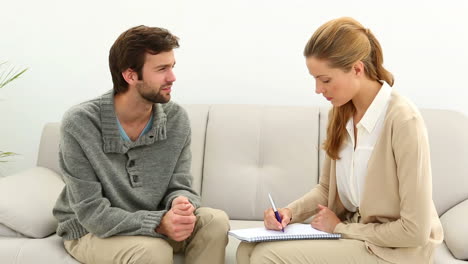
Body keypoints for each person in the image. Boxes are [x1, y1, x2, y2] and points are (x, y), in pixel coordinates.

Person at [237, 17, 443, 264]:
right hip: (358, 235)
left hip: (398, 250)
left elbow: (415, 231)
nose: (317, 89)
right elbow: (327, 190)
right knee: (246, 250)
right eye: (314, 79)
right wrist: (289, 213)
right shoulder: (341, 112)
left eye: (325, 80)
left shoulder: (403, 121)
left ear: (357, 69)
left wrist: (340, 229)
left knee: (267, 256)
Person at [53, 25, 229, 264]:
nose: (172, 77)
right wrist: (159, 223)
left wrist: (181, 204)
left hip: (156, 222)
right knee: (153, 251)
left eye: (172, 67)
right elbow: (92, 213)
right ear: (130, 75)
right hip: (90, 231)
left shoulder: (176, 118)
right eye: (161, 69)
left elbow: (181, 185)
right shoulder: (81, 123)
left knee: (215, 221)